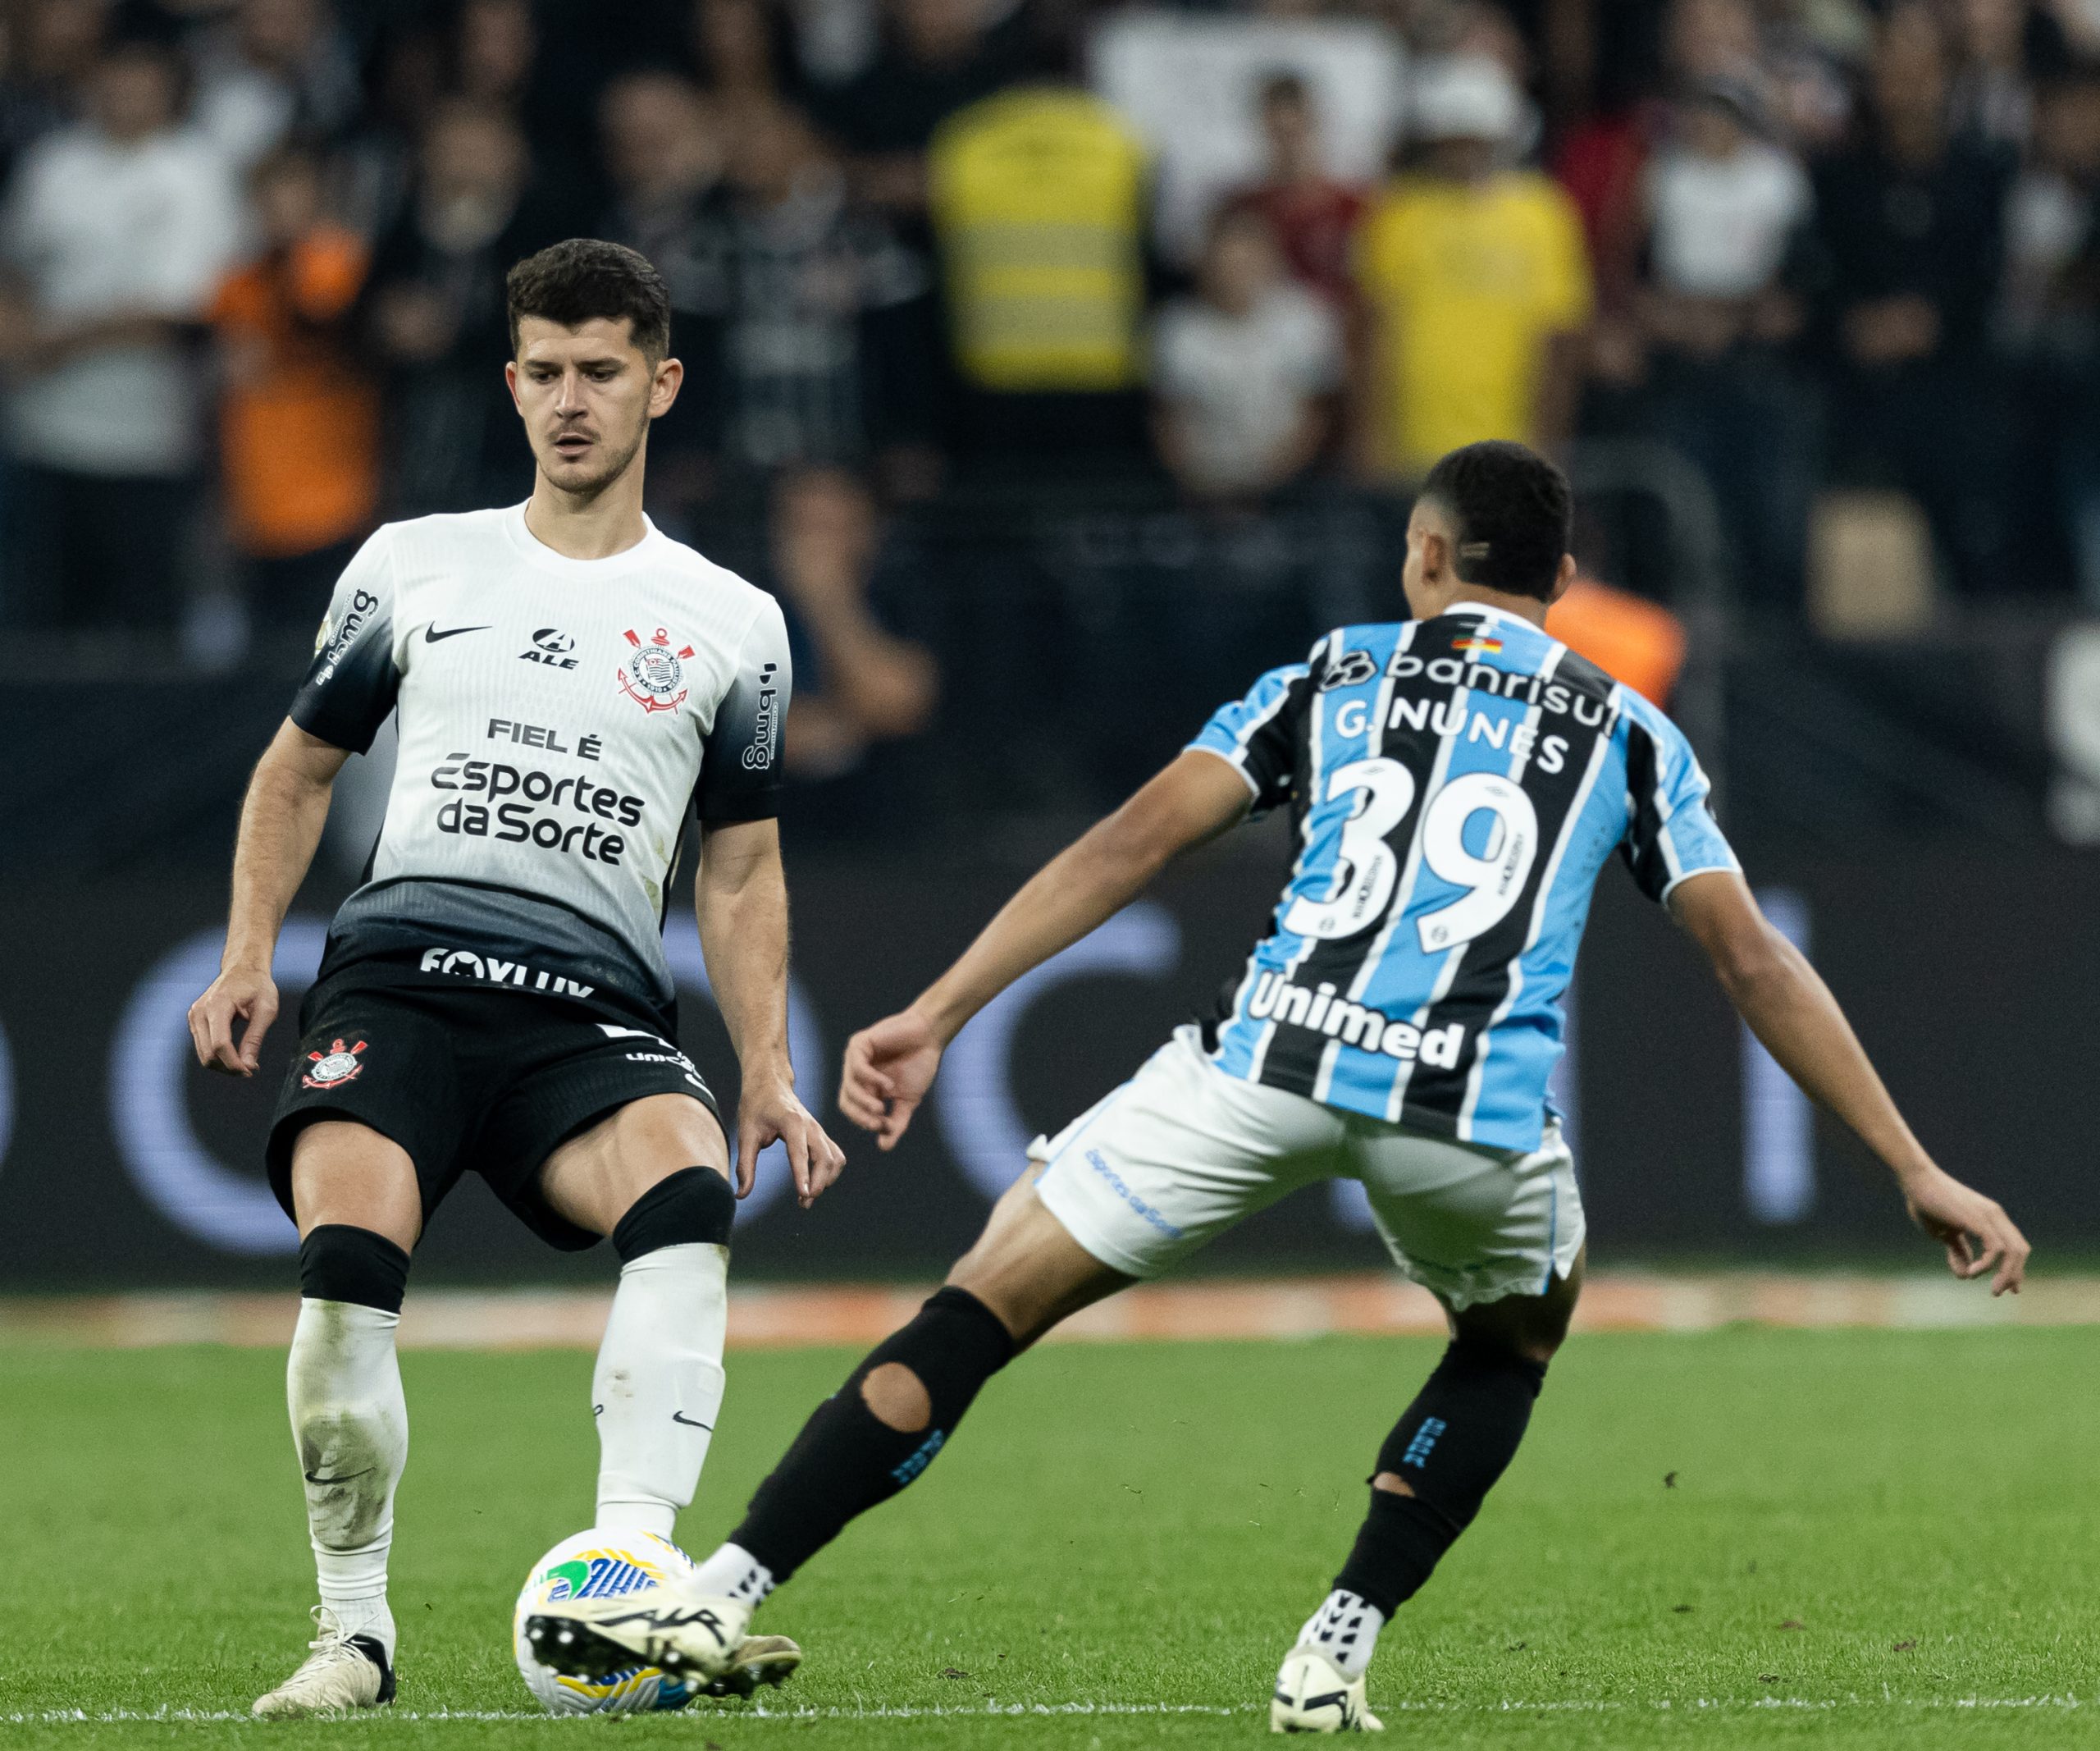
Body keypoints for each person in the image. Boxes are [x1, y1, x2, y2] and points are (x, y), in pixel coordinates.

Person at [523, 440, 2029, 1727]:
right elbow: (1757, 963)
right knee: (1510, 1339)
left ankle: (718, 1589)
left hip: (1262, 1066)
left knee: (981, 1303)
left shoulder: (1332, 671)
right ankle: (1338, 1642)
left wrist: (936, 1008)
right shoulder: (1636, 734)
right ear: (1562, 583)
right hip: (1469, 1114)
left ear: (1427, 553)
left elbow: (1130, 842)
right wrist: (1911, 1160)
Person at [185, 238, 847, 1718]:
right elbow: (296, 772)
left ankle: (634, 1586)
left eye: (601, 371)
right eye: (543, 371)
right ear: (510, 382)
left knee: (689, 1190)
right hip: (402, 981)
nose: (569, 400)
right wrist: (247, 953)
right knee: (348, 1263)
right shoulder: (413, 563)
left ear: (660, 385)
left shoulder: (735, 622)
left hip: (594, 1010)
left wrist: (766, 1067)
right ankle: (352, 1634)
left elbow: (739, 868)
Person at [0, 34, 240, 629]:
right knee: (46, 623)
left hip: (152, 441)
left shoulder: (197, 170)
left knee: (142, 631)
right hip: (43, 433)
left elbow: (186, 311)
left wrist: (56, 343)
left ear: (169, 86)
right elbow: (15, 265)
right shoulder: (53, 164)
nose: (126, 91)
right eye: (114, 75)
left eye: (142, 77)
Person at [1354, 56, 1591, 478]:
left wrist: (1548, 442)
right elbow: (1373, 328)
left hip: (1511, 447)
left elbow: (1560, 338)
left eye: (1475, 139)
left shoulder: (1542, 214)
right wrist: (1370, 436)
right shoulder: (1398, 213)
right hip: (1412, 445)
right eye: (1453, 139)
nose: (1464, 153)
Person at [209, 144, 378, 626]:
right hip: (256, 505)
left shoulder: (347, 267)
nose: (281, 206)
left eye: (294, 191)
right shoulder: (237, 283)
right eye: (269, 194)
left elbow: (322, 320)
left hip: (337, 500)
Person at [1150, 203, 1342, 500]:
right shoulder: (1179, 330)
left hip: (1292, 490)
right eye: (1227, 260)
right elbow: (1169, 425)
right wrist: (1205, 485)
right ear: (1205, 262)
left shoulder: (1304, 320)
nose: (1237, 272)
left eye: (1248, 259)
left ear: (1271, 260)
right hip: (1204, 494)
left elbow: (1316, 414)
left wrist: (1271, 480)